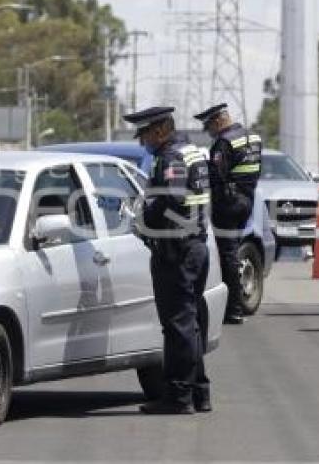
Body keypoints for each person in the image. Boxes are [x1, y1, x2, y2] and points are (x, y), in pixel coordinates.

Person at [124, 106, 212, 415]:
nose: (142, 142)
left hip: (176, 251)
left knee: (177, 327)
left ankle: (178, 396)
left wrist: (144, 219)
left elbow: (171, 200)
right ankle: (199, 392)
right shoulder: (193, 152)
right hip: (196, 247)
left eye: (145, 133)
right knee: (190, 325)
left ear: (161, 130)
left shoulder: (171, 157)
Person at [194, 103, 262, 325]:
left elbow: (214, 177)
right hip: (246, 200)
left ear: (218, 121)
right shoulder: (253, 138)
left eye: (209, 127)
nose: (209, 132)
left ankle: (233, 309)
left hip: (228, 204)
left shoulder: (224, 142)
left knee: (228, 256)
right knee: (232, 252)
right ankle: (234, 306)